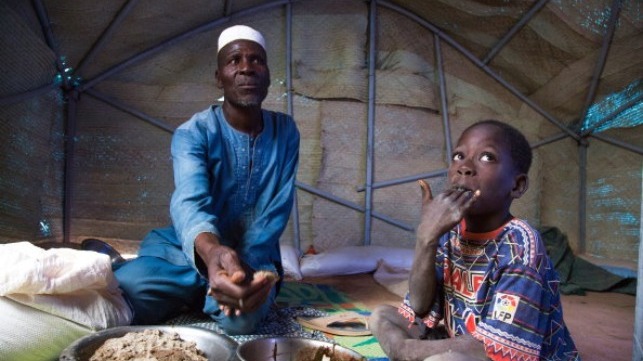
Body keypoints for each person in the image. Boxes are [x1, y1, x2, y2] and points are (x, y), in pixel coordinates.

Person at [113, 24, 300, 335]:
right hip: (187, 252)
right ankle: (202, 287)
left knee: (241, 318)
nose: (246, 69)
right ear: (219, 77)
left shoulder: (286, 131)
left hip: (253, 256)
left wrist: (240, 272)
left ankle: (211, 292)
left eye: (256, 60)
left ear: (267, 75)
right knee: (130, 286)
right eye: (234, 60)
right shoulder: (193, 132)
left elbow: (276, 212)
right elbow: (190, 200)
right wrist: (213, 254)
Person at [369, 120, 580, 360]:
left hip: (504, 352)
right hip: (462, 339)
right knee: (381, 316)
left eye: (487, 157)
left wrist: (407, 350)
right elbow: (419, 306)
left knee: (443, 359)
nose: (465, 167)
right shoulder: (449, 232)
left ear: (517, 186)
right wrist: (426, 236)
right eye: (459, 156)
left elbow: (496, 347)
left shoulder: (519, 245)